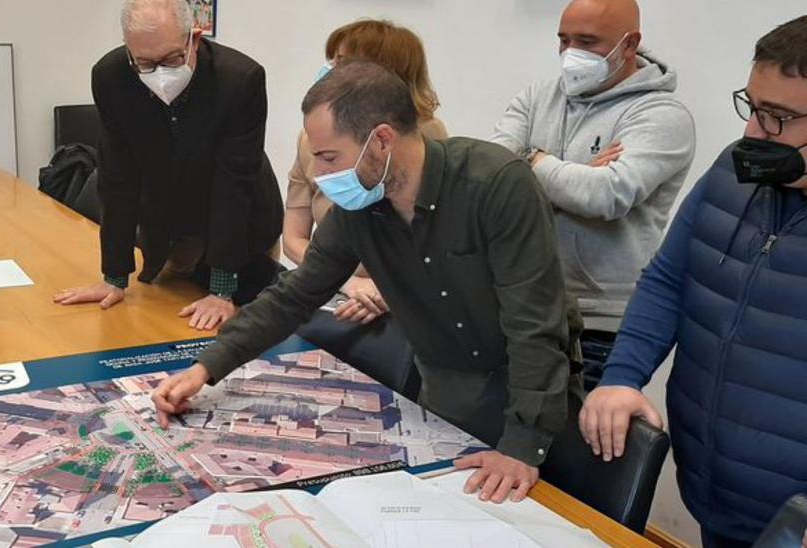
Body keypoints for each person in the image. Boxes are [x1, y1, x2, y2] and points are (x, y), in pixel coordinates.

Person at [154, 60, 583, 504]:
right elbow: (294, 295)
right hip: (446, 396)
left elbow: (533, 323)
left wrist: (521, 446)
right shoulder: (360, 211)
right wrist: (206, 369)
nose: (320, 175)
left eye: (328, 157)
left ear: (381, 140)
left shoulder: (495, 184)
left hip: (528, 398)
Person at [580, 15, 807, 548]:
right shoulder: (733, 171)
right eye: (752, 107)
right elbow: (668, 280)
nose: (754, 131)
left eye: (779, 117)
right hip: (714, 490)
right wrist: (621, 376)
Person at [489, 0, 696, 378]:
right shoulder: (536, 98)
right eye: (564, 40)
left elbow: (604, 197)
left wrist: (531, 159)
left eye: (587, 41)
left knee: (583, 434)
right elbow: (492, 178)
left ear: (630, 44)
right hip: (525, 303)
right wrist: (574, 175)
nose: (571, 53)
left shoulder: (661, 115)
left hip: (603, 321)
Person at [53, 0, 284, 332]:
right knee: (160, 314)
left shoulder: (239, 80)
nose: (160, 74)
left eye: (172, 59)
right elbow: (117, 178)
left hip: (243, 223)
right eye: (144, 63)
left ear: (195, 38)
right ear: (128, 49)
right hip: (169, 224)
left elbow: (233, 186)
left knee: (239, 323)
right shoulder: (112, 76)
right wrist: (114, 277)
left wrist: (221, 290)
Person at [285, 18, 449, 326]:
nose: (329, 70)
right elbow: (293, 238)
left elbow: (433, 244)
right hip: (331, 291)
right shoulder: (312, 139)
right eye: (331, 61)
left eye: (342, 63)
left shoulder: (428, 139)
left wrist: (387, 289)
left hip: (403, 300)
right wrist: (345, 281)